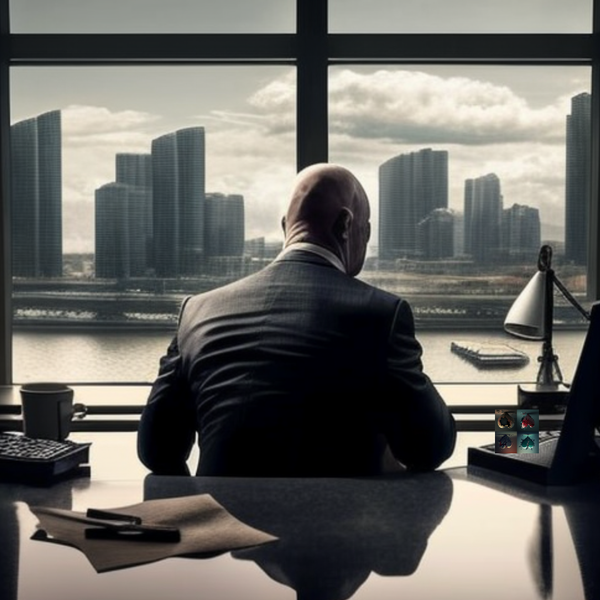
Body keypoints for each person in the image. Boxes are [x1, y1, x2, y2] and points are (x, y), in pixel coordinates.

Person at [137, 163, 456, 476]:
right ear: (345, 224)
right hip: (339, 526)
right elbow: (429, 448)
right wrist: (506, 432)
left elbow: (156, 450)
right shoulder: (380, 313)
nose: (366, 240)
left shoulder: (197, 310)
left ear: (284, 226)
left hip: (220, 525)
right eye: (366, 228)